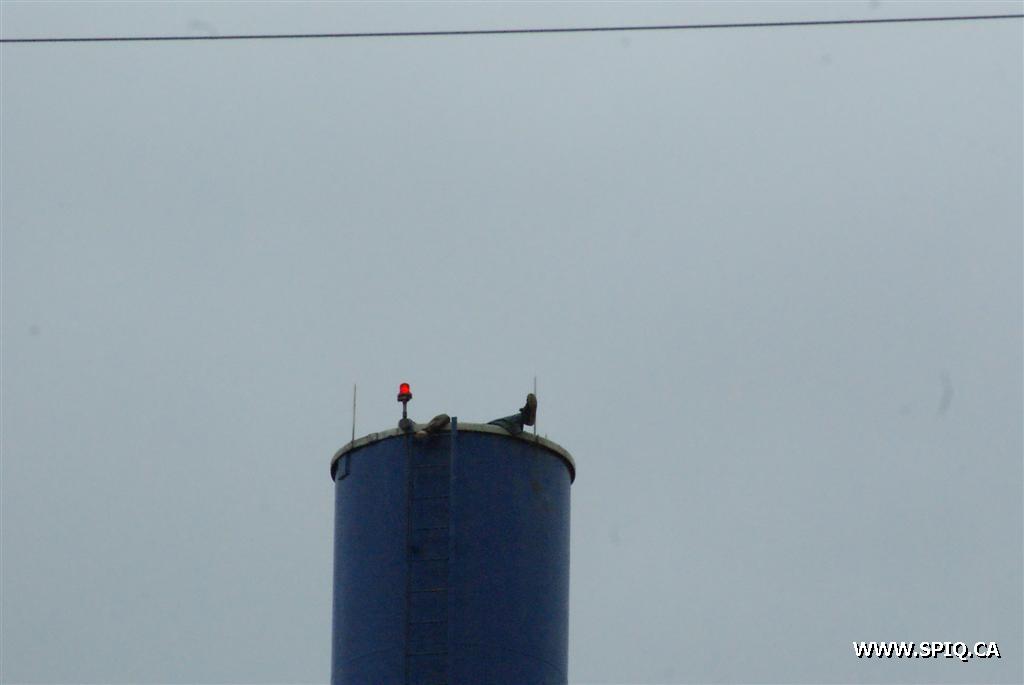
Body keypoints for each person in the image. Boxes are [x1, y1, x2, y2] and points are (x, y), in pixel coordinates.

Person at [414, 393, 537, 439]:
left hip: (471, 439)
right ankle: (524, 416)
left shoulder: (437, 425)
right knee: (499, 425)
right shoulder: (418, 434)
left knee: (499, 424)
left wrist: (426, 431)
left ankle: (524, 415)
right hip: (471, 443)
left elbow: (443, 418)